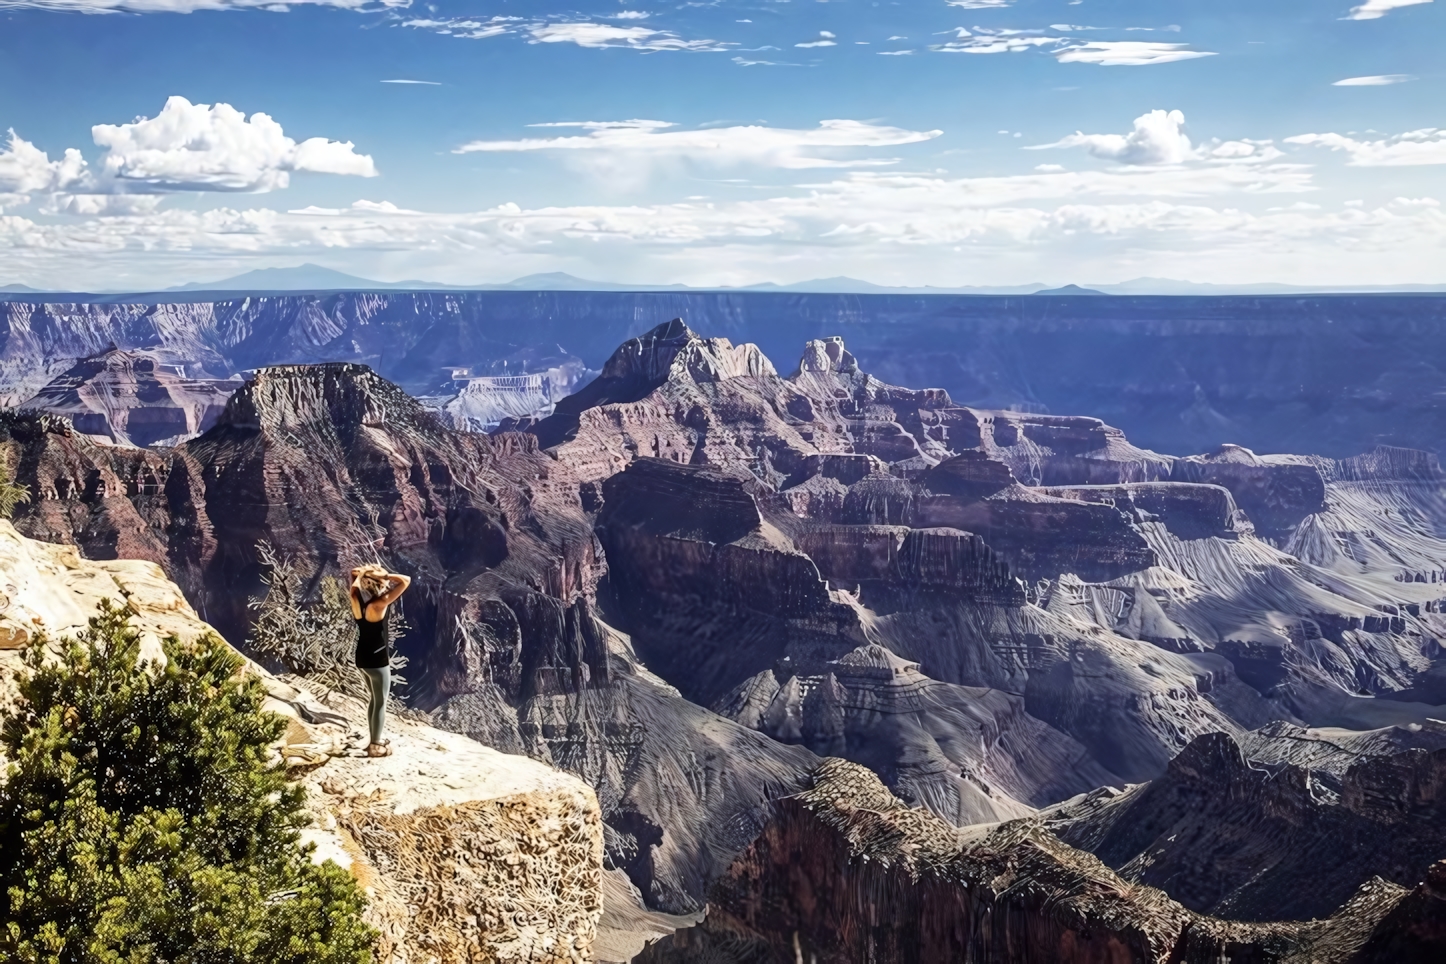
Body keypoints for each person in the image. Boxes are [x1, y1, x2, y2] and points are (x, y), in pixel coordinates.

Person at [348, 564, 411, 758]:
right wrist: (385, 575)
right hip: (377, 659)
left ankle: (374, 738)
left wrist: (366, 574)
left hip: (362, 658)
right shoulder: (379, 603)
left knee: (374, 700)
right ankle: (375, 745)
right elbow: (406, 580)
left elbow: (353, 574)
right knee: (381, 701)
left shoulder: (357, 598)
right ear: (379, 583)